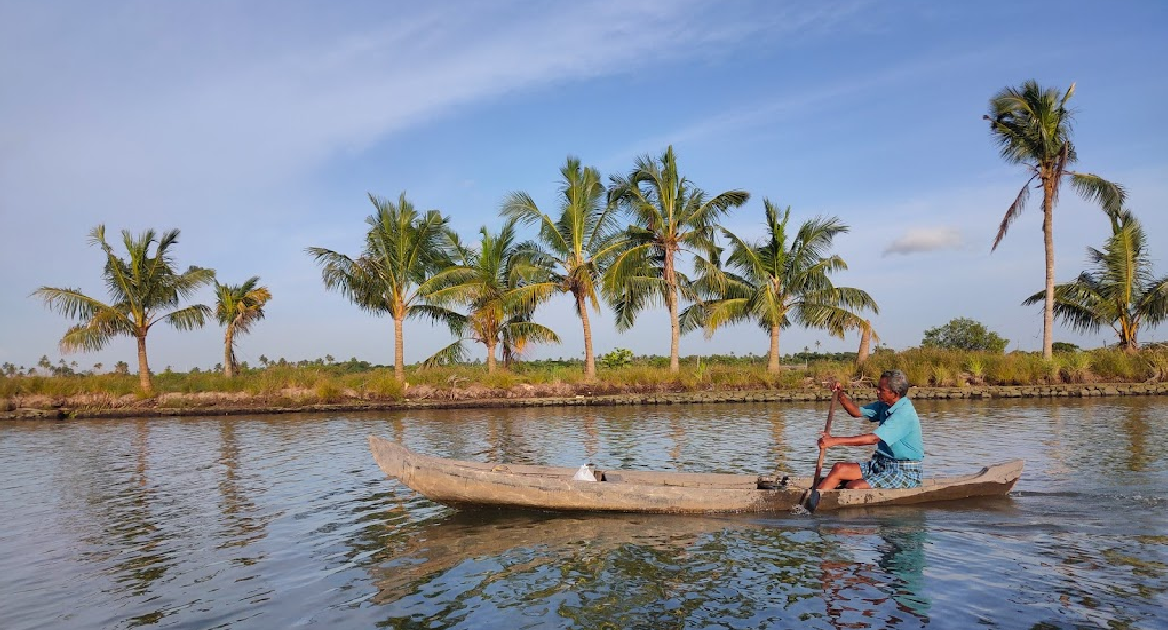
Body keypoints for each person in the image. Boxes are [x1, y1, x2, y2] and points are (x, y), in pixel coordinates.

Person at [816, 369, 923, 490]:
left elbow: (873, 439)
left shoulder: (903, 413)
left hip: (904, 471)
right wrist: (840, 394)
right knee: (839, 468)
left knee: (854, 486)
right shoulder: (885, 404)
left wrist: (833, 441)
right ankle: (816, 501)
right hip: (881, 463)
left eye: (881, 390)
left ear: (895, 393)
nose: (877, 392)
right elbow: (855, 412)